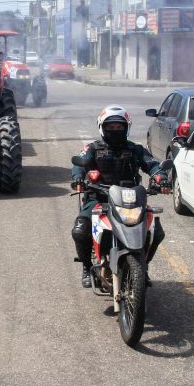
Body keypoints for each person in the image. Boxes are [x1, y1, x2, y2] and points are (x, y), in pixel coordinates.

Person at [71, 105, 170, 288]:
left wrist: (161, 178)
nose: (115, 130)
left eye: (119, 127)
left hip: (130, 199)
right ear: (102, 127)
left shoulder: (135, 149)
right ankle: (86, 266)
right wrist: (78, 178)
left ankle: (142, 266)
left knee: (155, 232)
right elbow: (80, 164)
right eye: (111, 127)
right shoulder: (92, 148)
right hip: (98, 197)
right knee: (80, 229)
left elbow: (152, 165)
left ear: (126, 127)